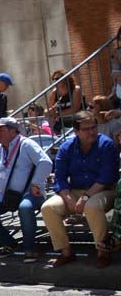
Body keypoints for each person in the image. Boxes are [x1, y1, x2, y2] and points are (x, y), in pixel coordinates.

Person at [41, 110, 120, 268]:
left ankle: (103, 251)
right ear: (76, 131)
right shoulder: (66, 147)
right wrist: (68, 198)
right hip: (75, 190)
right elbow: (60, 177)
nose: (92, 132)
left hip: (102, 190)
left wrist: (84, 198)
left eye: (93, 127)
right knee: (48, 208)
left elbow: (105, 177)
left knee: (91, 206)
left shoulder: (106, 144)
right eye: (86, 129)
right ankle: (66, 252)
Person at [0, 118, 53, 262]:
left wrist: (36, 183)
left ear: (12, 131)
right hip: (5, 196)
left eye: (1, 130)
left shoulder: (27, 144)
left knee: (24, 208)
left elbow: (45, 163)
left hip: (29, 194)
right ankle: (8, 243)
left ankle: (29, 249)